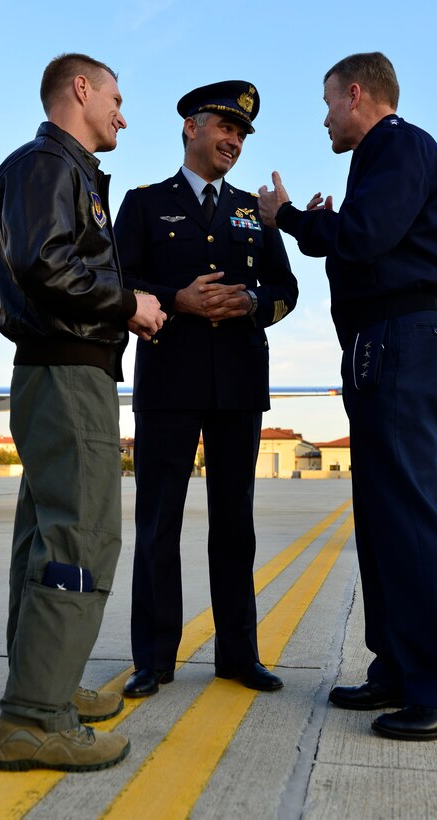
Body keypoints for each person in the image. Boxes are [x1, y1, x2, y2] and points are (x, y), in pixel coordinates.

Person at [258, 52, 437, 741]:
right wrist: (331, 226)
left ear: (356, 94)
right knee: (384, 520)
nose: (326, 116)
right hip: (378, 344)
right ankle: (400, 667)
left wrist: (289, 217)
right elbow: (367, 239)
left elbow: (364, 236)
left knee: (410, 517)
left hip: (397, 339)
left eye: (329, 102)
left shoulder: (397, 144)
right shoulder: (381, 159)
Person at [0, 53, 166, 771]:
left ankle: (45, 688)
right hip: (66, 372)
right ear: (81, 89)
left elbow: (55, 262)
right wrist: (130, 305)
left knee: (47, 539)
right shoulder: (46, 165)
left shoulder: (64, 170)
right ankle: (35, 717)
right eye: (117, 99)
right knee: (81, 540)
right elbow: (47, 264)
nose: (123, 114)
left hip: (63, 369)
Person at [114, 80, 298, 697]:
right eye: (225, 127)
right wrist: (178, 300)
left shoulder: (251, 210)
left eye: (242, 133)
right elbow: (120, 282)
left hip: (239, 384)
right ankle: (154, 659)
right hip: (169, 381)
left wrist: (250, 300)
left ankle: (238, 656)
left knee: (234, 524)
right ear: (191, 126)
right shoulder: (143, 204)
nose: (235, 141)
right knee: (158, 521)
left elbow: (285, 289)